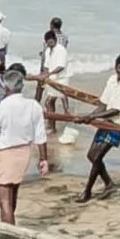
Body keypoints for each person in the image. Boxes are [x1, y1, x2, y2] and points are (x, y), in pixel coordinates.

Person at [0, 64, 48, 224]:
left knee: (4, 204)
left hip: (3, 156)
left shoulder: (1, 108)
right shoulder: (34, 106)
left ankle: (8, 234)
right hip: (23, 155)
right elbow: (41, 135)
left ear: (6, 88)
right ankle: (11, 225)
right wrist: (43, 159)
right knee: (12, 196)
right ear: (22, 86)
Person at [79, 54, 120, 203]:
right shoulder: (112, 80)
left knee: (97, 157)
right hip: (108, 121)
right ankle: (109, 184)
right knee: (91, 156)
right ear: (115, 67)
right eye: (119, 68)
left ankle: (87, 191)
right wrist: (90, 116)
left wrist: (91, 117)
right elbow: (103, 104)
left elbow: (116, 110)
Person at [35, 27, 74, 173]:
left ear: (54, 40)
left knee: (48, 102)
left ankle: (52, 126)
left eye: (51, 41)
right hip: (51, 79)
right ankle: (52, 125)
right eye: (48, 42)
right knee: (49, 102)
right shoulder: (48, 51)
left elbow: (60, 66)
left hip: (61, 79)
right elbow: (46, 66)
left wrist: (49, 74)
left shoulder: (61, 50)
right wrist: (43, 75)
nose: (49, 44)